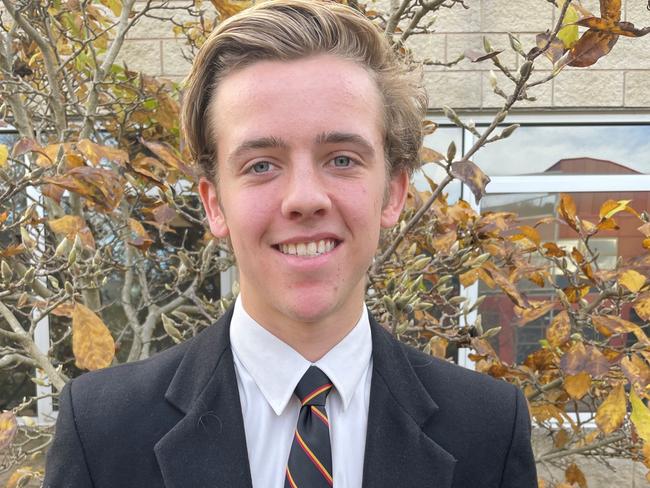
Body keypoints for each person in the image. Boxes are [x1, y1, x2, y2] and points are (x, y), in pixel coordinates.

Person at [44, 1, 537, 487]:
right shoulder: (101, 430)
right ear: (215, 205)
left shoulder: (489, 428)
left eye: (341, 159)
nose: (304, 199)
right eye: (261, 164)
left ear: (393, 193)